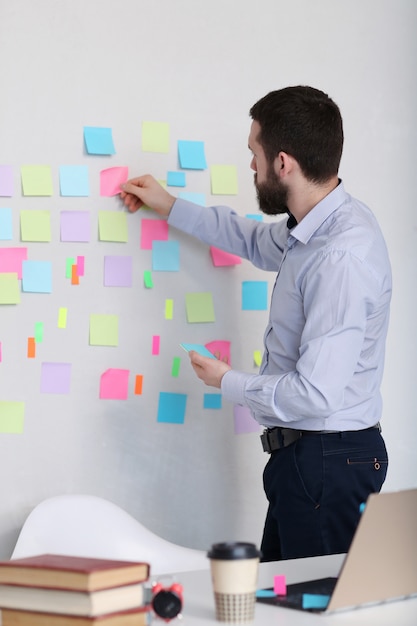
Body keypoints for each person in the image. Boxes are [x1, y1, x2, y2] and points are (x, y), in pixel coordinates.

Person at [120, 86, 391, 562]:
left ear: (283, 163)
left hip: (327, 461)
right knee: (279, 605)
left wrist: (228, 382)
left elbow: (317, 393)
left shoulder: (340, 256)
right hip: (307, 462)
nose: (252, 166)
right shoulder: (309, 231)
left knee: (315, 609)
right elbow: (248, 238)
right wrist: (169, 205)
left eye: (255, 154)